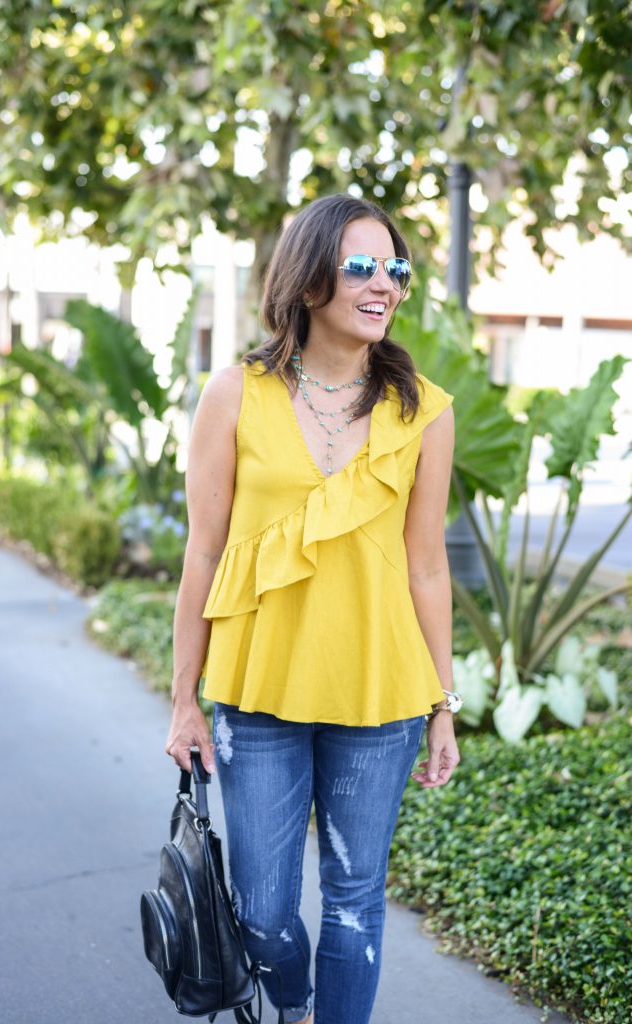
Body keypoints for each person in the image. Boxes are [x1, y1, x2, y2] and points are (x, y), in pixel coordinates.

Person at [165, 193, 460, 1024]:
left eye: (394, 269)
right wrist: (184, 699)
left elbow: (427, 568)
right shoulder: (234, 394)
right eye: (359, 266)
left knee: (355, 901)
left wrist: (443, 702)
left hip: (379, 694)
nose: (383, 284)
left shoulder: (422, 412)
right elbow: (204, 554)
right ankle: (291, 1005)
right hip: (257, 694)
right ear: (305, 281)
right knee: (261, 914)